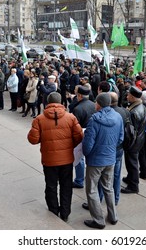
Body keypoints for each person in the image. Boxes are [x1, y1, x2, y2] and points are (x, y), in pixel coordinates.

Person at [27, 92, 83, 222]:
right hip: (67, 159)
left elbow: (33, 140)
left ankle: (53, 209)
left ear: (48, 102)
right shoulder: (71, 117)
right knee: (66, 185)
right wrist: (69, 146)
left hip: (49, 159)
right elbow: (79, 136)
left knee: (51, 185)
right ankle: (65, 212)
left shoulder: (39, 119)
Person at [82, 93, 124, 229]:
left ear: (98, 104)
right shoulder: (118, 117)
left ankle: (98, 220)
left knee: (92, 190)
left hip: (96, 160)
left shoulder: (94, 119)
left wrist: (86, 153)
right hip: (110, 158)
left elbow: (88, 144)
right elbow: (120, 138)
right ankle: (113, 216)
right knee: (108, 188)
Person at [122, 86, 146, 194]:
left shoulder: (134, 112)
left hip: (134, 142)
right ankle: (130, 177)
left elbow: (131, 132)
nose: (127, 97)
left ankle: (133, 185)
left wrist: (127, 144)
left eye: (128, 95)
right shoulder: (141, 106)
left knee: (132, 163)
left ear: (132, 97)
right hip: (139, 140)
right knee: (131, 162)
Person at [72, 86, 96, 189]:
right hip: (93, 132)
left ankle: (79, 180)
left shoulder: (78, 108)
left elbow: (74, 126)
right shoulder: (93, 105)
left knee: (79, 157)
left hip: (82, 132)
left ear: (80, 95)